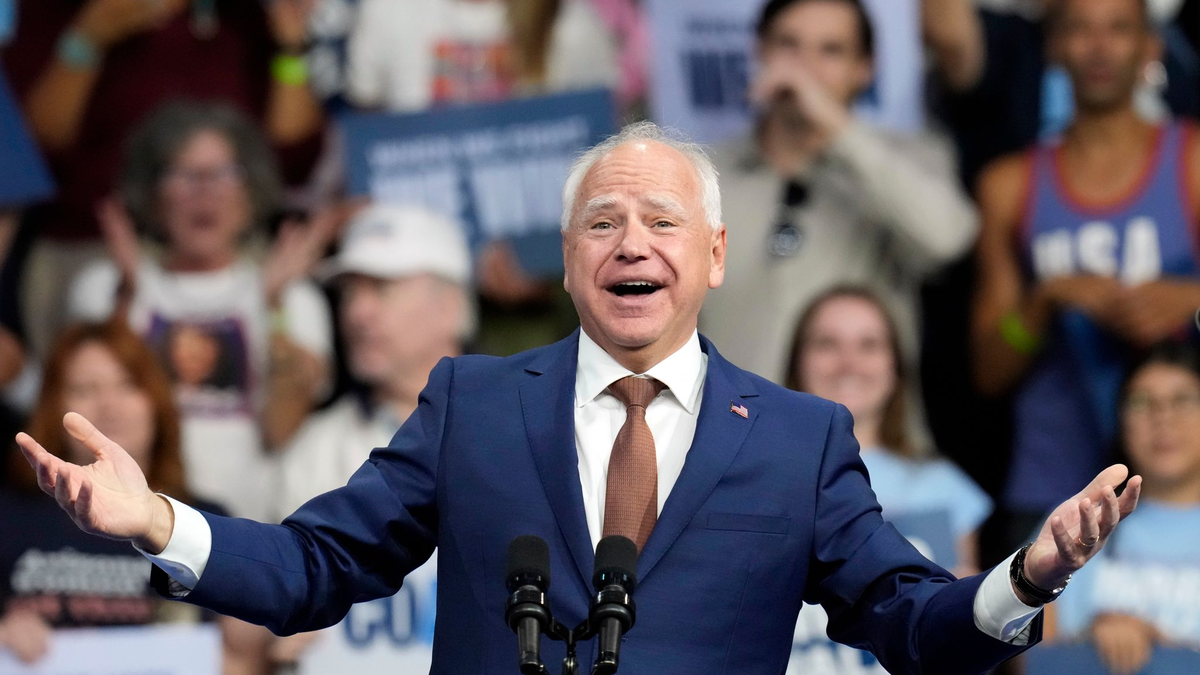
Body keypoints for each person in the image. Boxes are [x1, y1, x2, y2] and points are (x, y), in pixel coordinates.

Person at [14, 121, 1145, 674]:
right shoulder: (471, 400)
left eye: (660, 223)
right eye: (602, 221)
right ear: (567, 262)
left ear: (712, 255)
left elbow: (911, 625)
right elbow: (315, 573)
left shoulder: (801, 439)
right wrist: (156, 521)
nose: (630, 243)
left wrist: (1026, 577)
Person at [972, 0, 1200, 551]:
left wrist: (1191, 303)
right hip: (1052, 486)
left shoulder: (1193, 160)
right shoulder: (1010, 184)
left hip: (1183, 484)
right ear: (1053, 47)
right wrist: (1043, 303)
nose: (1099, 47)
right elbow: (988, 371)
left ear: (1151, 47)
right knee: (1038, 637)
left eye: (1118, 29)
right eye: (1079, 29)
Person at [1, 0, 325, 357]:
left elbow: (292, 161)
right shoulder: (52, 11)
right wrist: (87, 38)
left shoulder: (247, 15)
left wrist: (291, 48)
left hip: (234, 250)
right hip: (92, 244)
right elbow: (29, 152)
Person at [66, 102, 335, 521]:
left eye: (224, 174)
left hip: (246, 530)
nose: (204, 191)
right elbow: (84, 426)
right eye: (184, 175)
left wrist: (274, 307)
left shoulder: (295, 299)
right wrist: (126, 298)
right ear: (152, 195)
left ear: (252, 192)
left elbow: (281, 430)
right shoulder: (105, 288)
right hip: (130, 529)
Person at [700, 0, 978, 394]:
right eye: (788, 45)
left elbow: (949, 238)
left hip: (863, 444)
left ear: (865, 69)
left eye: (830, 50)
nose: (804, 68)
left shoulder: (913, 158)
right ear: (758, 52)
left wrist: (836, 128)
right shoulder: (702, 173)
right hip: (731, 438)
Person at [268, 204, 473, 669]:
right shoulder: (313, 449)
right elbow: (289, 589)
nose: (357, 313)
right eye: (349, 293)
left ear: (451, 305)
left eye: (382, 289)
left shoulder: (532, 425)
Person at [0, 321, 267, 674]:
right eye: (84, 389)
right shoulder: (10, 515)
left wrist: (258, 648)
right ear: (52, 407)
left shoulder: (205, 522)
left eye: (128, 385)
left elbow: (243, 655)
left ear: (156, 403)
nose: (109, 406)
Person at [783, 287, 993, 673]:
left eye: (869, 345)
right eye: (827, 343)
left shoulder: (945, 486)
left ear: (896, 367)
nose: (849, 363)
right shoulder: (755, 471)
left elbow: (962, 631)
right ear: (797, 361)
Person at [1047, 342, 1200, 675]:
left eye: (1183, 400)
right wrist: (1090, 637)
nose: (1163, 418)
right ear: (1119, 419)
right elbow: (1021, 657)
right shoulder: (1078, 519)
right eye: (1141, 402)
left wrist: (1162, 647)